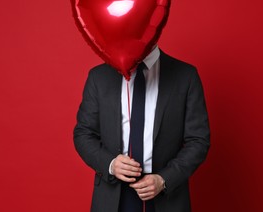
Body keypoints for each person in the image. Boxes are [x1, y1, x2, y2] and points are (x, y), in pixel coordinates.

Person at [73, 45, 210, 212]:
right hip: (112, 195)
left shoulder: (186, 76)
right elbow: (83, 134)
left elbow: (198, 140)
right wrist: (110, 164)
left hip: (167, 198)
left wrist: (164, 179)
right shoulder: (99, 76)